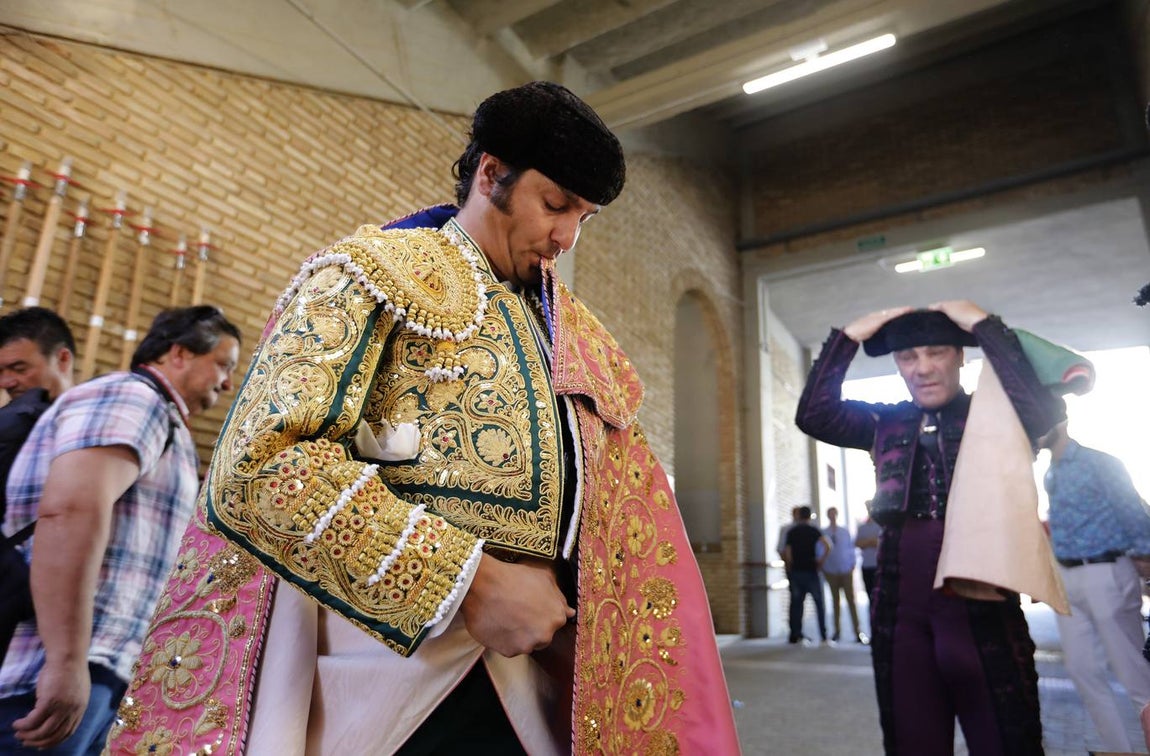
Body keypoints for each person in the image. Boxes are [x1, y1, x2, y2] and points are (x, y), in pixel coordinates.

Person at [106, 81, 740, 755]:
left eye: (584, 217)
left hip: (546, 685)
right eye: (555, 205)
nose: (567, 235)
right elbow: (258, 467)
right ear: (492, 174)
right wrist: (470, 580)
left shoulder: (580, 338)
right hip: (379, 677)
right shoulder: (370, 272)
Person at [795, 301, 1063, 755]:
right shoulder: (886, 421)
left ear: (961, 355)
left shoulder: (997, 414)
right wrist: (849, 336)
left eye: (936, 352)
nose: (922, 368)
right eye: (907, 357)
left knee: (1009, 742)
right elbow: (815, 414)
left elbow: (1041, 409)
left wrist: (983, 324)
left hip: (986, 608)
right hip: (901, 616)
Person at [0, 305, 240, 754]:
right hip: (49, 673)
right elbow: (71, 511)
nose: (227, 383)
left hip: (97, 670)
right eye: (223, 365)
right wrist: (67, 662)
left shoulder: (163, 419)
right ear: (180, 354)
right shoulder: (134, 397)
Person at [1039, 421, 1150, 752]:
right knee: (1082, 670)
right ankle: (1121, 750)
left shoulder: (1099, 462)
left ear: (1058, 418)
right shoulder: (1051, 471)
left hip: (1106, 572)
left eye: (1039, 419)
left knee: (1134, 673)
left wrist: (1146, 558)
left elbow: (1133, 512)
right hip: (1067, 578)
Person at [0, 308, 76, 523]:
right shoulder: (10, 424)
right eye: (0, 372)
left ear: (62, 359)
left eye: (19, 368)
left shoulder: (99, 429)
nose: (6, 382)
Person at [784, 505, 831, 645]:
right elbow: (828, 546)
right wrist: (821, 561)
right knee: (819, 604)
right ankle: (823, 636)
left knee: (796, 605)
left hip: (797, 571)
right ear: (810, 516)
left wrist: (790, 568)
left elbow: (788, 553)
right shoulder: (814, 530)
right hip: (811, 571)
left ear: (798, 516)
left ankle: (795, 635)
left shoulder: (792, 532)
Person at [821, 506, 862, 643]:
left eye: (834, 514)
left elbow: (851, 549)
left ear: (837, 515)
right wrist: (824, 568)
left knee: (851, 601)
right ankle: (837, 631)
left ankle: (857, 631)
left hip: (845, 570)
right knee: (835, 602)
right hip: (831, 571)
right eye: (830, 514)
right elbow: (820, 551)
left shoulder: (844, 531)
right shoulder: (824, 532)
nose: (832, 516)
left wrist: (852, 564)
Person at [854, 501, 881, 602]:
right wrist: (872, 541)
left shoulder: (881, 525)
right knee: (870, 596)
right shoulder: (862, 527)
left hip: (879, 565)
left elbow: (881, 543)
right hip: (866, 566)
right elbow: (858, 543)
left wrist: (867, 542)